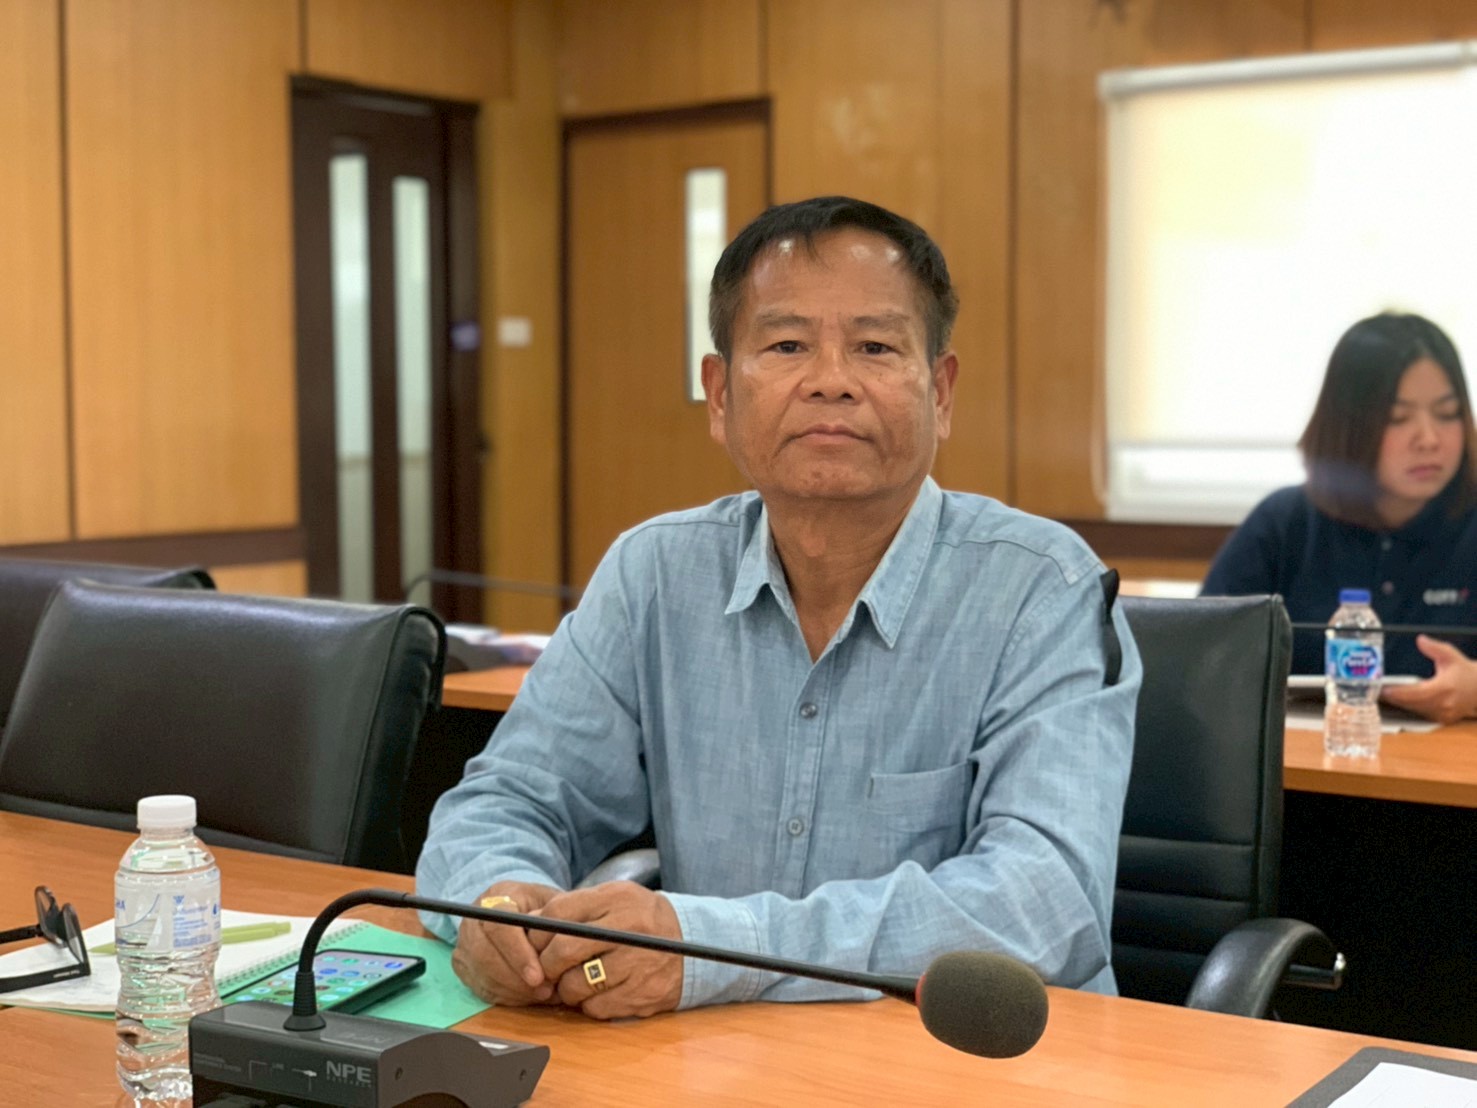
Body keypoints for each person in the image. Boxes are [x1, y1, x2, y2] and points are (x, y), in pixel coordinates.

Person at [416, 196, 1140, 1020]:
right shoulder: (655, 573)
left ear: (940, 393)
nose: (830, 381)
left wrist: (711, 947)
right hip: (711, 1054)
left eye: (874, 347)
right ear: (719, 394)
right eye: (787, 345)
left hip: (969, 1058)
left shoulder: (1042, 589)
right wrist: (496, 908)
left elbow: (1043, 903)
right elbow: (509, 800)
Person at [1202, 312, 1477, 723]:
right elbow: (1202, 658)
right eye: (1397, 418)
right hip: (1304, 758)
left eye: (1447, 413)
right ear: (1346, 426)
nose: (1429, 439)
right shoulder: (1284, 523)